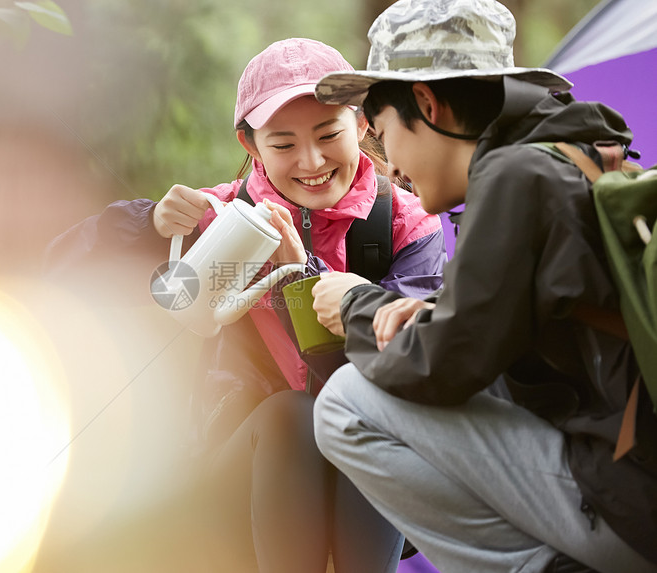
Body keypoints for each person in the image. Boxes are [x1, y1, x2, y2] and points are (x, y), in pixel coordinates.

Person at [46, 38, 447, 572]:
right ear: (251, 145)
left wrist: (303, 279)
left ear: (364, 124)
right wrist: (146, 226)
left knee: (355, 412)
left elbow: (402, 367)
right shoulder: (224, 223)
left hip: (376, 475)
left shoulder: (406, 225)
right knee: (292, 417)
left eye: (329, 135)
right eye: (283, 144)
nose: (311, 161)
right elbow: (56, 273)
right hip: (240, 465)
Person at [309, 1, 657, 572]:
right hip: (633, 487)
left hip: (627, 510)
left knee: (347, 404)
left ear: (426, 101)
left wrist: (356, 304)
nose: (387, 163)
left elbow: (441, 368)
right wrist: (425, 315)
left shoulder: (517, 177)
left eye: (382, 130)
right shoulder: (574, 156)